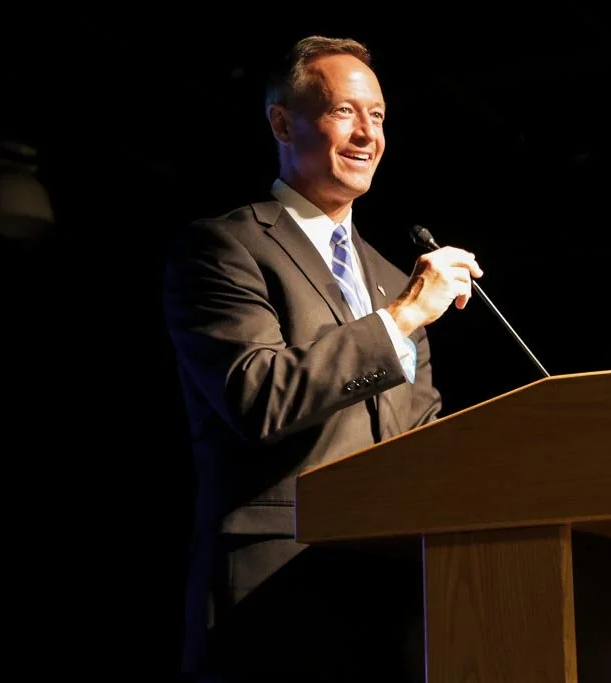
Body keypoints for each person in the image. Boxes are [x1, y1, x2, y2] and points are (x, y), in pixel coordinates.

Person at [162, 35, 483, 682]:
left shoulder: (393, 278)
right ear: (283, 122)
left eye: (379, 116)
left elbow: (418, 437)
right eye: (344, 111)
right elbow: (258, 395)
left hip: (394, 596)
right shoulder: (226, 248)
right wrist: (403, 318)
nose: (367, 133)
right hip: (276, 593)